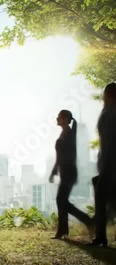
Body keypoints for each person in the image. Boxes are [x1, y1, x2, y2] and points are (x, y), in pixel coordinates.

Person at [48, 110, 93, 239]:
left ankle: (83, 222)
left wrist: (57, 170)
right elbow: (59, 157)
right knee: (62, 200)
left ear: (66, 119)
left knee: (61, 200)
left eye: (60, 116)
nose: (57, 118)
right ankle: (64, 230)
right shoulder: (64, 134)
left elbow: (65, 155)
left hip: (69, 172)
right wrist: (54, 171)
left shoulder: (69, 134)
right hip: (65, 172)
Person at [91, 82, 116, 246]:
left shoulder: (111, 113)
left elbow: (109, 141)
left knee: (102, 195)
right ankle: (101, 235)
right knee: (109, 196)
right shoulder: (108, 111)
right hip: (108, 161)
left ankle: (101, 236)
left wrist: (106, 164)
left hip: (110, 162)